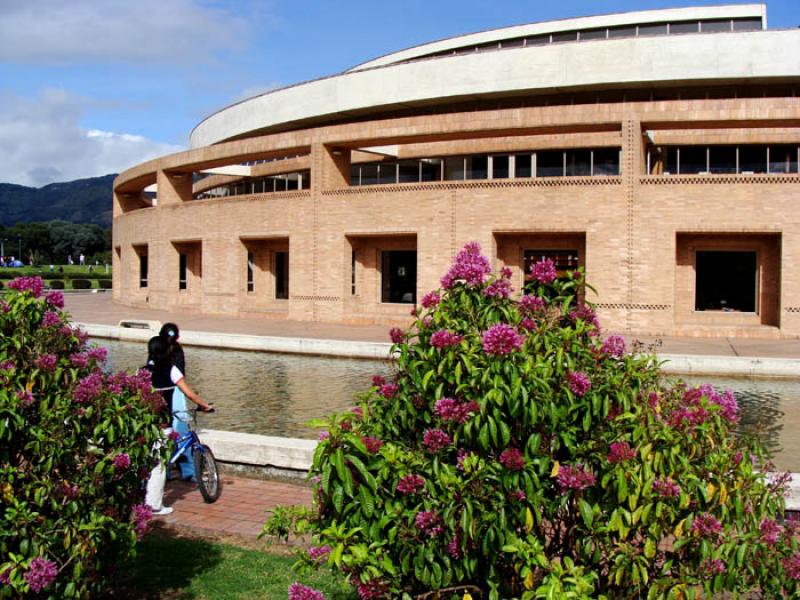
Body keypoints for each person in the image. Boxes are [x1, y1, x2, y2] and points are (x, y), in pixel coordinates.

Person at [144, 335, 213, 516]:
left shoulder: (141, 371)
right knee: (159, 465)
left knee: (148, 460)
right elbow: (189, 393)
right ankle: (154, 505)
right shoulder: (171, 370)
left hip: (143, 424)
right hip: (161, 423)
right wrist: (205, 405)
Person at [159, 323, 193, 479]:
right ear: (178, 337)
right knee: (182, 433)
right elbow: (180, 375)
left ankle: (163, 472)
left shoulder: (156, 349)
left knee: (163, 435)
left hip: (159, 396)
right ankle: (188, 472)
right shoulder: (178, 350)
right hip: (177, 392)